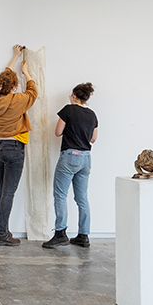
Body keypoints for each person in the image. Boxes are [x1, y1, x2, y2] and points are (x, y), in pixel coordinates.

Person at [0, 44, 38, 246]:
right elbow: (33, 92)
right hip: (14, 148)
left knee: (2, 190)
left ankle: (3, 230)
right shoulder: (18, 100)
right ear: (14, 87)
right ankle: (2, 233)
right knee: (8, 192)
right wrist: (26, 72)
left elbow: (0, 82)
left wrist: (14, 59)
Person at [44, 83, 98, 249]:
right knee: (82, 198)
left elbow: (58, 132)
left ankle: (60, 233)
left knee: (60, 195)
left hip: (70, 156)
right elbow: (93, 139)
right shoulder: (92, 114)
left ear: (74, 95)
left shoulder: (68, 110)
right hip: (86, 158)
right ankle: (83, 235)